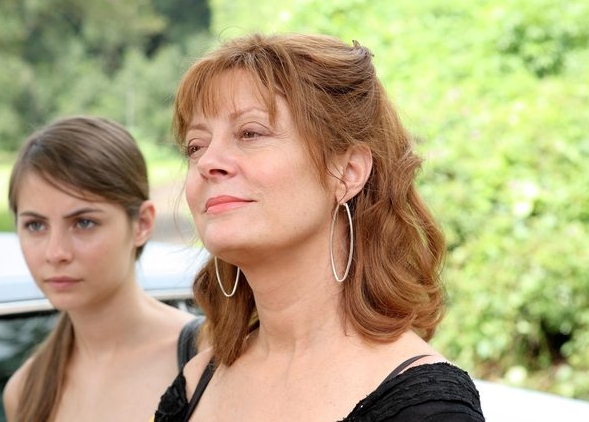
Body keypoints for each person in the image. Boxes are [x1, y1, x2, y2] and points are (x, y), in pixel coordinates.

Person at [154, 34, 484, 421]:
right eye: (196, 146)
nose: (209, 162)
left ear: (347, 172)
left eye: (250, 133)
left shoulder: (428, 410)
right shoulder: (195, 384)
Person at [3, 116, 201, 421]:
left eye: (84, 223)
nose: (56, 253)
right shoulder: (25, 391)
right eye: (35, 225)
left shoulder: (205, 360)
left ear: (142, 224)